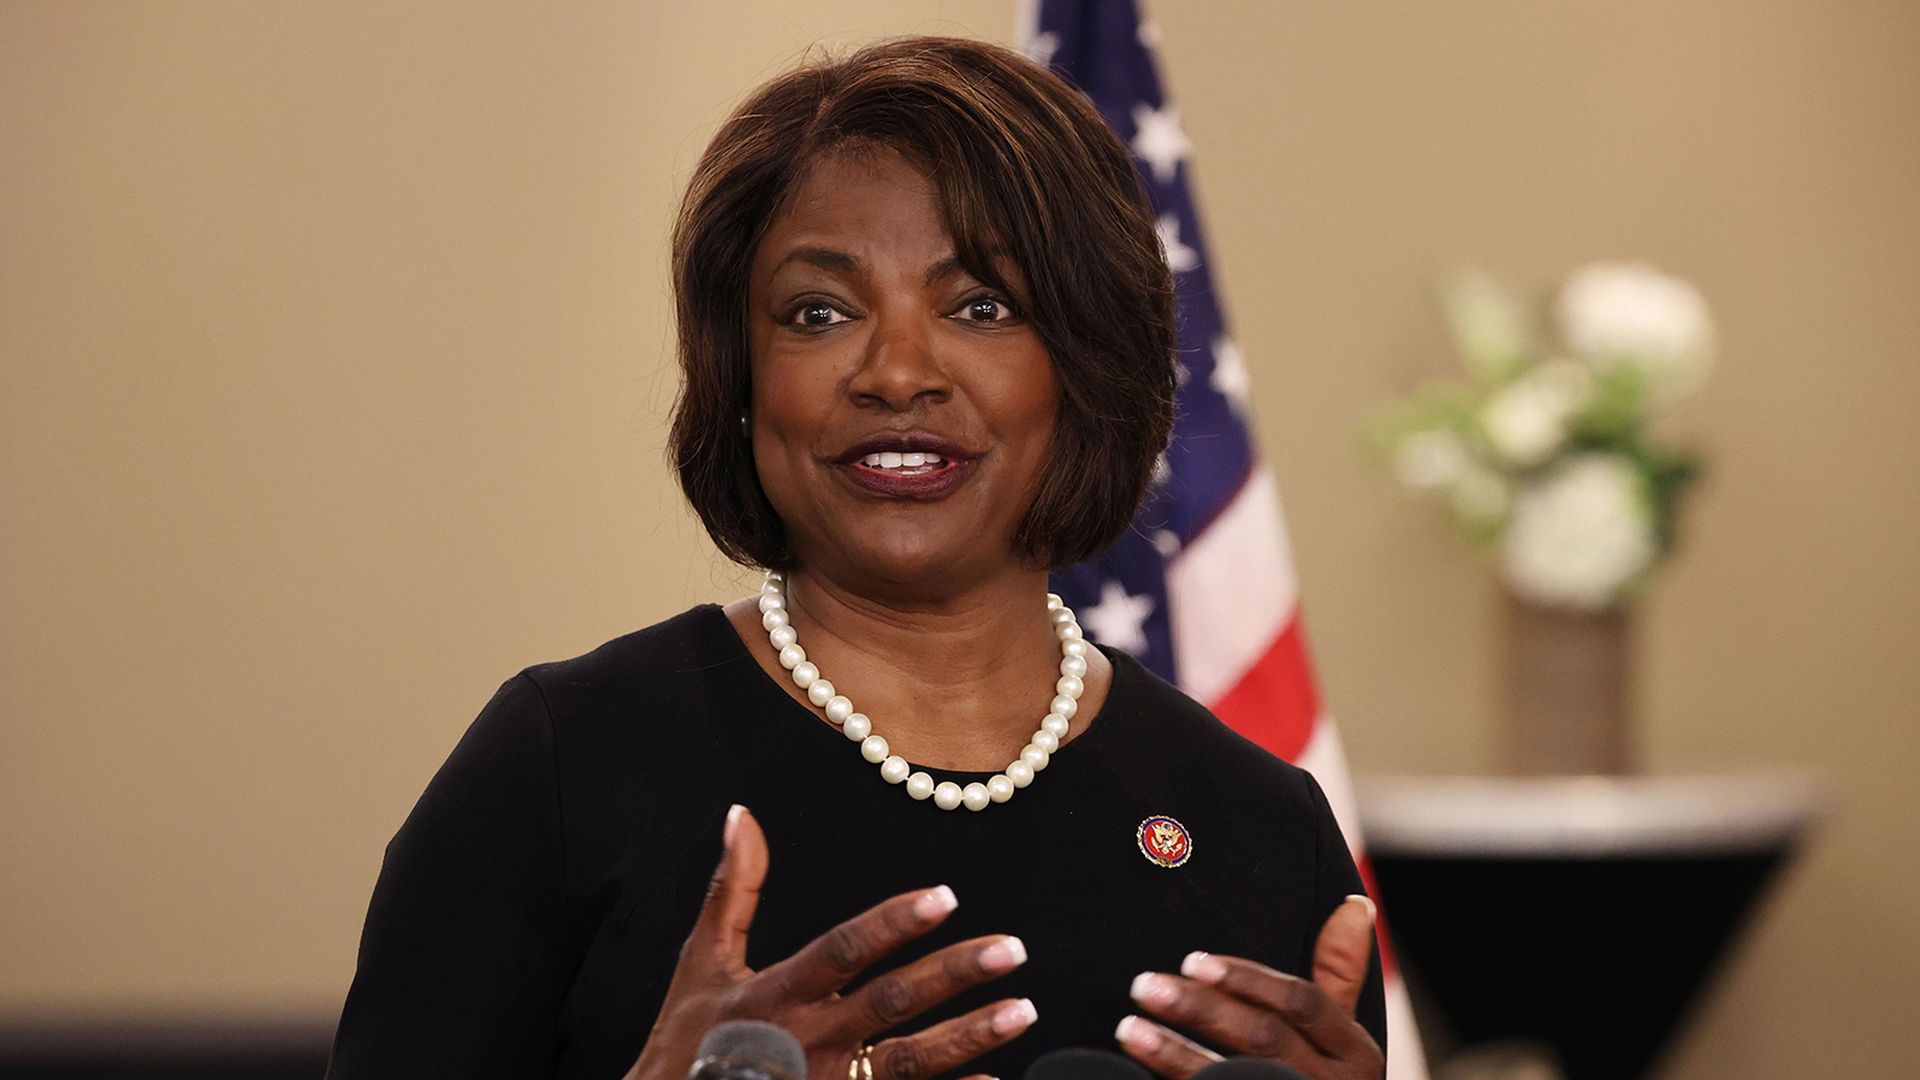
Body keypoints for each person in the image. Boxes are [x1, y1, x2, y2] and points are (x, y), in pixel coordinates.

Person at [326, 34, 1387, 1080]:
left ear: (1087, 368)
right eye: (819, 312)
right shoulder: (564, 770)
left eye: (981, 306)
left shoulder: (1259, 831)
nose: (895, 372)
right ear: (742, 384)